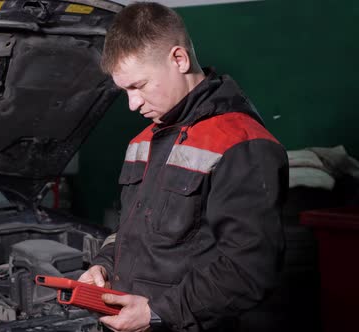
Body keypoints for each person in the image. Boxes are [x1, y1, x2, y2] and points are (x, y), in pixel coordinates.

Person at [78, 2, 288, 332]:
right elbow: (132, 232)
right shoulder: (143, 142)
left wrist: (157, 313)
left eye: (139, 86)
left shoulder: (241, 142)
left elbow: (249, 269)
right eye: (125, 92)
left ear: (179, 59)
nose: (133, 104)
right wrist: (102, 267)